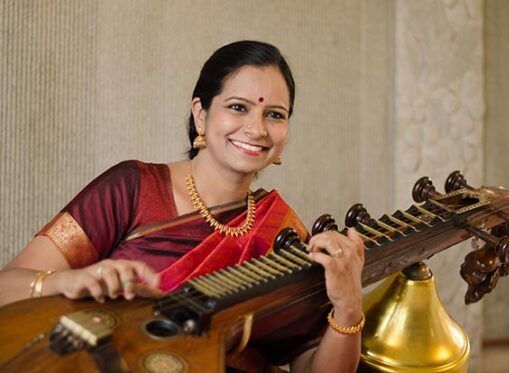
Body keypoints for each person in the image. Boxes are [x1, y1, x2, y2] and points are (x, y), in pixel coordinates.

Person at [0, 40, 365, 372]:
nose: (257, 129)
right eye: (238, 108)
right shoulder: (133, 189)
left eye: (275, 114)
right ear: (201, 114)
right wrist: (72, 280)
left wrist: (348, 306)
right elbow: (6, 288)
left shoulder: (282, 234)